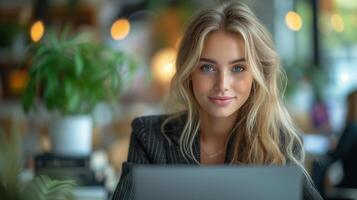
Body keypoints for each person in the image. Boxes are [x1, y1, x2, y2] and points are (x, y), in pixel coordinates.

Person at [112, 2, 322, 200]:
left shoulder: (279, 142)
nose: (222, 84)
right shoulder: (150, 136)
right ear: (189, 73)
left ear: (258, 76)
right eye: (207, 67)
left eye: (238, 68)